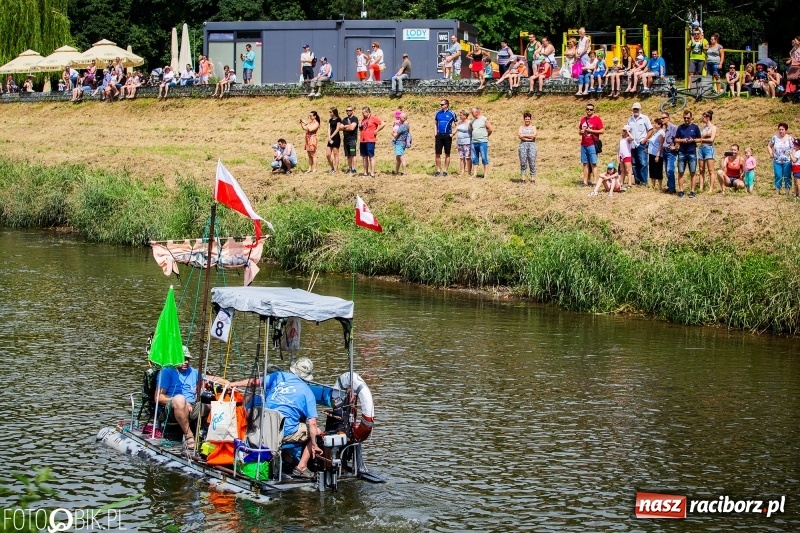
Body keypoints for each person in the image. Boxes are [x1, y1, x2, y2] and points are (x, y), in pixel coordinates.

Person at [229, 358, 321, 479]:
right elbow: (312, 423)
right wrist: (314, 445)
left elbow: (254, 382)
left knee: (286, 421)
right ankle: (301, 467)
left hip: (263, 427)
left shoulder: (279, 376)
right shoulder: (308, 393)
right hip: (283, 432)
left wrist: (234, 384)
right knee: (316, 431)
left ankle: (287, 458)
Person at [156, 346, 202, 448]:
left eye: (188, 359)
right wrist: (184, 402)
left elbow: (209, 378)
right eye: (183, 359)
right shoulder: (166, 371)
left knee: (215, 405)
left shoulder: (193, 372)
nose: (186, 362)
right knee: (180, 399)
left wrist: (227, 383)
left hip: (192, 405)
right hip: (173, 406)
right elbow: (158, 397)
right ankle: (189, 437)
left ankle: (212, 438)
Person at [675, 110, 701, 198]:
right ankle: (681, 190)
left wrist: (692, 140)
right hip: (682, 152)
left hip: (692, 152)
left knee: (692, 172)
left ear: (691, 118)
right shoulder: (680, 127)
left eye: (688, 118)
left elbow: (699, 139)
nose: (686, 119)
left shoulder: (695, 127)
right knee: (680, 172)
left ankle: (692, 191)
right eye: (684, 118)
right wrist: (682, 140)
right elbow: (675, 139)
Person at [627, 102, 653, 186]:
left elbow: (651, 130)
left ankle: (644, 181)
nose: (636, 110)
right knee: (634, 163)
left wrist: (645, 140)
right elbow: (627, 130)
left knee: (643, 163)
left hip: (641, 144)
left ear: (640, 109)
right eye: (634, 109)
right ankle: (637, 180)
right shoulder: (630, 119)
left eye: (637, 109)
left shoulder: (644, 118)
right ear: (632, 109)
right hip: (633, 144)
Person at [578, 103, 603, 187]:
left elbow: (602, 131)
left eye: (591, 109)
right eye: (587, 109)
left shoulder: (597, 119)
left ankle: (595, 182)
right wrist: (581, 132)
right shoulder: (582, 120)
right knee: (585, 163)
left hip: (592, 144)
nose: (589, 111)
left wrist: (591, 131)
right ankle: (585, 181)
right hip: (584, 144)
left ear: (593, 110)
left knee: (593, 163)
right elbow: (579, 131)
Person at [359, 106, 385, 177]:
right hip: (362, 140)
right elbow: (361, 129)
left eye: (363, 113)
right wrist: (360, 126)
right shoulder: (363, 120)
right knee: (364, 157)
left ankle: (372, 173)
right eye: (362, 113)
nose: (362, 114)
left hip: (370, 140)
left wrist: (376, 130)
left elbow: (383, 124)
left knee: (371, 156)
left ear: (368, 112)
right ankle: (365, 172)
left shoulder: (373, 118)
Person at [768, 122, 793, 194]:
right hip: (777, 161)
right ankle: (777, 191)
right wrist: (771, 153)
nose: (781, 131)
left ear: (786, 130)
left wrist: (792, 157)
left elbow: (793, 148)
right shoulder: (774, 138)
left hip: (787, 161)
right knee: (778, 175)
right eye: (779, 129)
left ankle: (787, 192)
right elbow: (769, 146)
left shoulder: (790, 138)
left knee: (787, 176)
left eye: (782, 129)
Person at [434, 99, 457, 176]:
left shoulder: (452, 113)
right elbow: (435, 124)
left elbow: (457, 124)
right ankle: (438, 170)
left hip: (447, 135)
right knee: (437, 153)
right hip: (439, 135)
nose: (441, 106)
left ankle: (445, 170)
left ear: (447, 105)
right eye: (440, 104)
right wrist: (435, 133)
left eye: (442, 104)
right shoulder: (438, 113)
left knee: (447, 153)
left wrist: (453, 133)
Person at [469, 107, 493, 179]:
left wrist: (486, 136)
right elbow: (470, 127)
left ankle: (485, 174)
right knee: (474, 158)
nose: (472, 114)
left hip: (482, 142)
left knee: (484, 157)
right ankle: (475, 174)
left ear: (477, 112)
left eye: (472, 112)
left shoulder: (484, 119)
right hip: (474, 142)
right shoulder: (473, 121)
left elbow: (490, 129)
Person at [698, 110, 718, 193]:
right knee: (701, 169)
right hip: (701, 148)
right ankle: (701, 187)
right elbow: (700, 138)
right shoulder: (703, 128)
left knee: (710, 170)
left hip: (709, 148)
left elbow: (711, 139)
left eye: (703, 117)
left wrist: (704, 137)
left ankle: (711, 189)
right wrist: (704, 136)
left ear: (708, 118)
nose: (702, 119)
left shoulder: (713, 127)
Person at [517, 111, 537, 184]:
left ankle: (532, 178)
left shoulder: (533, 127)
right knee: (523, 162)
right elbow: (520, 136)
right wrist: (529, 137)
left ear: (530, 119)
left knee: (532, 162)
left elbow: (534, 136)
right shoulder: (521, 127)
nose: (527, 120)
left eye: (528, 119)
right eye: (526, 119)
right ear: (524, 119)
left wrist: (524, 136)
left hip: (532, 146)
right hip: (523, 146)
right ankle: (523, 179)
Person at [338, 106, 359, 174]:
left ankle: (354, 168)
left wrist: (344, 127)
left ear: (352, 111)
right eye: (347, 110)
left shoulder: (355, 119)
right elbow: (339, 128)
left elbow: (352, 128)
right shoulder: (344, 119)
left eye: (349, 110)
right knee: (348, 155)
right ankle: (350, 168)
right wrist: (347, 126)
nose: (348, 111)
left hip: (352, 140)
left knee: (353, 154)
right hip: (346, 140)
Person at [648, 118, 665, 190]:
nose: (654, 125)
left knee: (658, 169)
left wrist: (658, 155)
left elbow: (660, 145)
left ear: (659, 124)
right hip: (651, 153)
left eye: (655, 123)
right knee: (652, 169)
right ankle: (653, 185)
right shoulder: (656, 132)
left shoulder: (661, 133)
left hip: (657, 154)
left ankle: (660, 186)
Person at [455, 109, 472, 177]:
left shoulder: (469, 123)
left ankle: (469, 172)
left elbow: (472, 131)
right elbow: (456, 129)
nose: (460, 116)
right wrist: (452, 133)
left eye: (461, 115)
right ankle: (462, 172)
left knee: (468, 157)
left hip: (467, 142)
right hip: (460, 142)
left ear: (465, 116)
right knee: (461, 157)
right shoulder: (459, 122)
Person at [326, 107, 342, 173]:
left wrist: (331, 137)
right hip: (330, 138)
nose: (330, 113)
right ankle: (332, 167)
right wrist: (329, 136)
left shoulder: (338, 119)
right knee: (328, 154)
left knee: (336, 154)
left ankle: (335, 169)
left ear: (334, 112)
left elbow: (337, 129)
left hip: (336, 138)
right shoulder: (330, 120)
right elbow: (329, 128)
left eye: (331, 112)